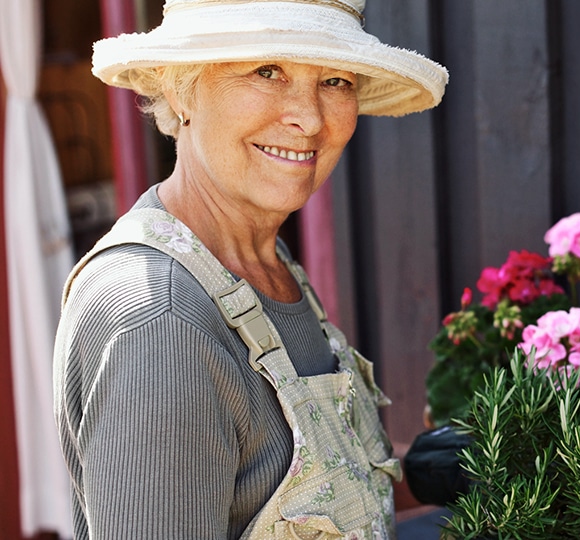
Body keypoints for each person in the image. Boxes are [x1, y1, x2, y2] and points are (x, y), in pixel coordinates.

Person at [52, 0, 447, 538]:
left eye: (334, 80)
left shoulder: (264, 262)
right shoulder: (161, 320)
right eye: (267, 71)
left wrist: (415, 478)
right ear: (179, 87)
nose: (309, 118)